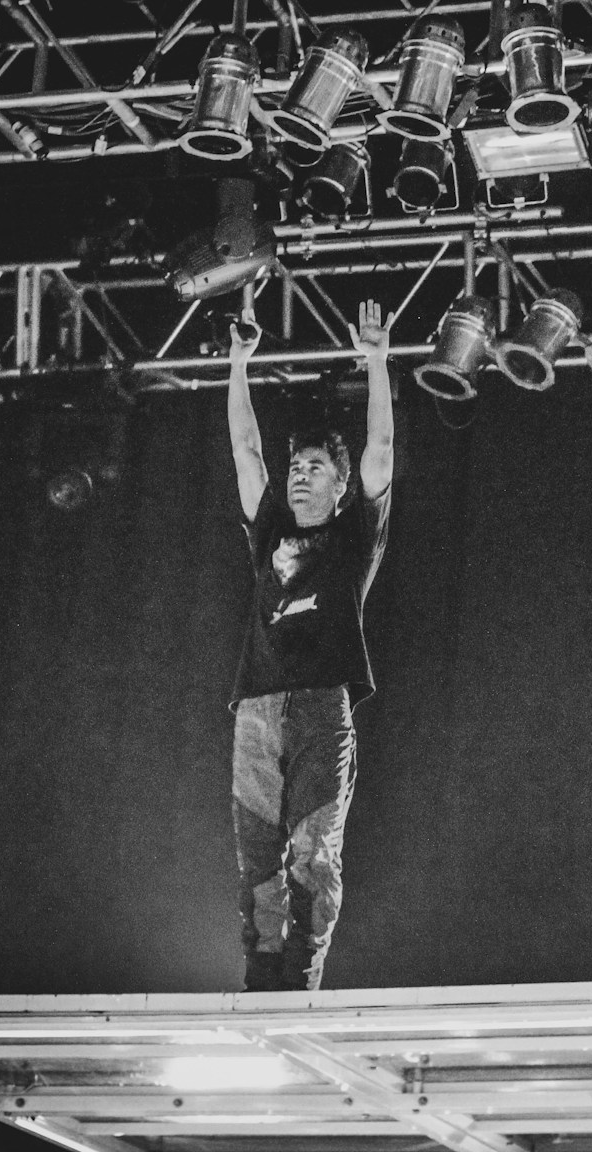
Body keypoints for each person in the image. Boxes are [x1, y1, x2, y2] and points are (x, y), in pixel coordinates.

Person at [226, 295, 394, 991]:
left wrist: (378, 363)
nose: (299, 474)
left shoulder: (355, 535)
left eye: (316, 467)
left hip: (323, 707)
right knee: (258, 860)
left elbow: (382, 451)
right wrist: (238, 364)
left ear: (340, 483)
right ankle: (260, 982)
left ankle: (300, 984)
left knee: (312, 857)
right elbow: (245, 450)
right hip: (258, 709)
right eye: (296, 467)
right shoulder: (269, 531)